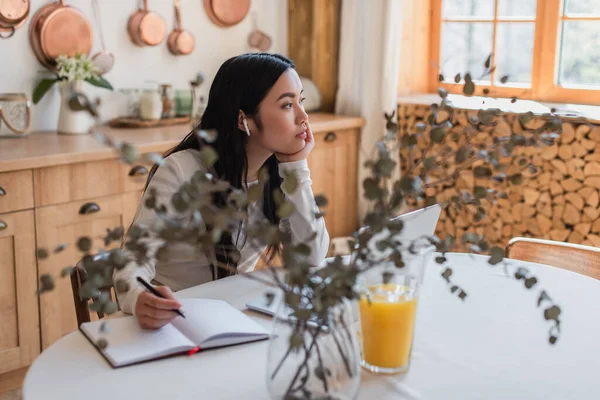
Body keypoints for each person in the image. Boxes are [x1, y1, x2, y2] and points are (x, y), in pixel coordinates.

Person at [113, 53, 329, 329]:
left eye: (301, 101)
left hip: (235, 318)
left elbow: (310, 257)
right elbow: (133, 261)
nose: (303, 117)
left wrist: (297, 167)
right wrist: (140, 297)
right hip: (175, 322)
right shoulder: (181, 172)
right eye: (287, 105)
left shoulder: (280, 172)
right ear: (244, 121)